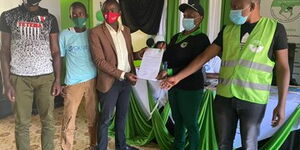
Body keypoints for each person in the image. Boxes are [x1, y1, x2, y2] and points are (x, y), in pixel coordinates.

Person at [162, 0, 290, 149]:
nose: (232, 11)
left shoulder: (274, 29)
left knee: (249, 144)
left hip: (253, 99)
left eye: (236, 7)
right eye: (231, 7)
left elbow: (283, 67)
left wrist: (282, 104)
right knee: (223, 143)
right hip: (224, 97)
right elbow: (204, 57)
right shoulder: (228, 30)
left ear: (253, 6)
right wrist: (176, 78)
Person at [0, 0, 61, 149]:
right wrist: (6, 83)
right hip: (19, 78)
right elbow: (4, 50)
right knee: (22, 123)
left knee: (48, 121)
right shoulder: (8, 16)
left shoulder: (50, 19)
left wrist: (58, 79)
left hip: (46, 77)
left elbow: (55, 51)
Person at [89, 0, 145, 150]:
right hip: (109, 82)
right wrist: (123, 74)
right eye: (106, 10)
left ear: (119, 13)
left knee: (122, 117)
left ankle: (121, 146)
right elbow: (99, 61)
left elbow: (128, 55)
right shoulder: (95, 32)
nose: (109, 14)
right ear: (102, 13)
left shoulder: (126, 30)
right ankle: (102, 148)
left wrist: (138, 54)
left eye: (113, 10)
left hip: (126, 82)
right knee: (105, 119)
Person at [156, 2, 210, 150]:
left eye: (191, 15)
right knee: (178, 121)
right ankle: (178, 147)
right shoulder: (175, 37)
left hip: (191, 87)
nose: (186, 17)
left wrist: (171, 72)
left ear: (200, 18)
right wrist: (161, 50)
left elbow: (195, 64)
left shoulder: (201, 39)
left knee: (191, 123)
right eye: (185, 15)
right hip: (173, 86)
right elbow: (167, 59)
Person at [59, 2, 98, 150]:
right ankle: (66, 147)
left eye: (80, 13)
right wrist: (61, 82)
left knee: (93, 117)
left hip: (92, 80)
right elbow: (60, 60)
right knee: (69, 119)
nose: (77, 16)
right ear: (70, 16)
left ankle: (93, 145)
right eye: (74, 14)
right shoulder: (64, 34)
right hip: (72, 82)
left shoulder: (92, 34)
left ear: (86, 15)